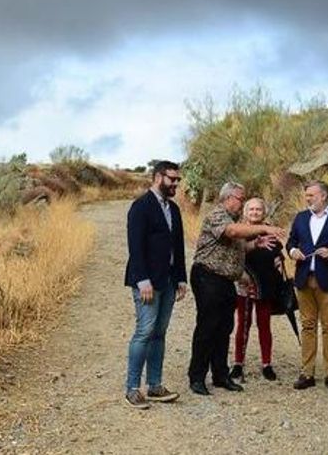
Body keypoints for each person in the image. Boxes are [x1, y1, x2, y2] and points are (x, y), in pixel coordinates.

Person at [188, 182, 287, 396]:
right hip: (208, 276)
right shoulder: (218, 215)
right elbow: (231, 232)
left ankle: (220, 375)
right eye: (241, 199)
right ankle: (197, 377)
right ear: (229, 197)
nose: (242, 203)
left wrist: (256, 244)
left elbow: (237, 248)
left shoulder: (232, 219)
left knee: (224, 328)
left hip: (226, 280)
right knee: (208, 327)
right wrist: (264, 227)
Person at [123, 160, 188, 409]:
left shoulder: (173, 209)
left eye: (178, 180)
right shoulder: (141, 207)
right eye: (173, 179)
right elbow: (135, 247)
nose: (176, 184)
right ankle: (132, 389)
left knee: (159, 333)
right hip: (147, 282)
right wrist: (142, 281)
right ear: (159, 177)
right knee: (144, 332)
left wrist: (181, 277)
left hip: (169, 280)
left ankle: (155, 386)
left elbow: (178, 247)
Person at [286, 180, 328, 393]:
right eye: (306, 196)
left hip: (327, 279)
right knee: (307, 325)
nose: (307, 199)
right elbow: (291, 242)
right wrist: (292, 252)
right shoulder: (300, 218)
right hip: (304, 278)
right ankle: (307, 372)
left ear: (324, 196)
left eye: (311, 196)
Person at [231, 197, 283, 382]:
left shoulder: (271, 231)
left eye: (258, 210)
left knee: (264, 325)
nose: (254, 212)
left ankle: (267, 364)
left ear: (264, 212)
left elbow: (278, 256)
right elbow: (233, 255)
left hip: (265, 285)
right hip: (244, 284)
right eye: (251, 209)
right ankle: (238, 363)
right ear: (245, 212)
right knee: (243, 325)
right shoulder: (238, 231)